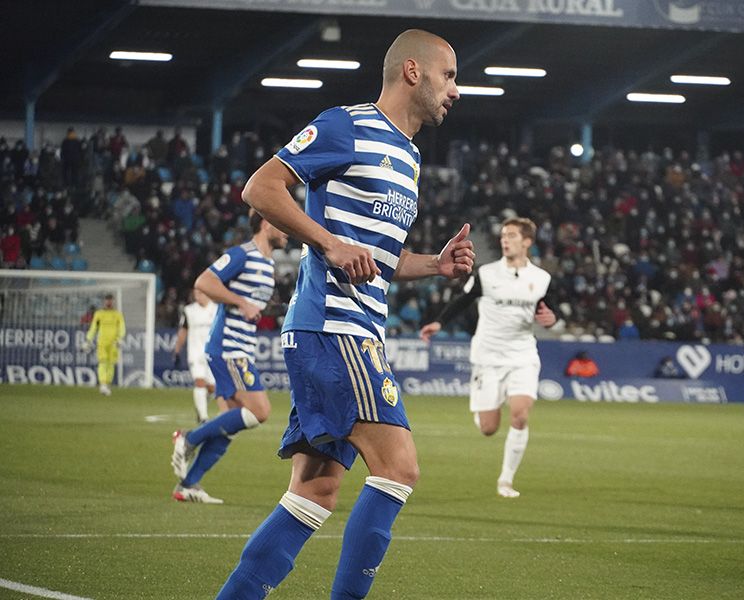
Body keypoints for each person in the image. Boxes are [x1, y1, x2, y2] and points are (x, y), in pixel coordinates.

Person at [216, 28, 471, 600]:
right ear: (413, 71)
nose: (456, 90)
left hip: (347, 330)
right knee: (398, 468)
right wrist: (329, 242)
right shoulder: (346, 125)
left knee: (316, 491)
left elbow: (378, 259)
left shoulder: (410, 157)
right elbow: (261, 189)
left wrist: (435, 265)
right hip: (335, 327)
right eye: (449, 76)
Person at [420, 217, 556, 498]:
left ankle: (506, 480)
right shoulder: (487, 274)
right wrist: (439, 322)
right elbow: (463, 300)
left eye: (512, 235)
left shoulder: (541, 279)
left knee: (520, 415)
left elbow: (548, 311)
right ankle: (485, 405)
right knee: (488, 428)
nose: (505, 240)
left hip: (522, 355)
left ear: (527, 241)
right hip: (488, 356)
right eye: (504, 235)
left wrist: (552, 320)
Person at [169, 210, 288, 504]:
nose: (288, 231)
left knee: (231, 424)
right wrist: (242, 303)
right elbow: (204, 282)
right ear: (266, 223)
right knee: (260, 411)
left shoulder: (267, 264)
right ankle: (189, 438)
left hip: (241, 346)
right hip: (228, 347)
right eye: (282, 224)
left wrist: (256, 308)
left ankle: (188, 485)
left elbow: (247, 303)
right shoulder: (242, 254)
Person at [172, 288, 221, 423]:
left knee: (212, 387)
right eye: (196, 294)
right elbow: (183, 331)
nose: (198, 296)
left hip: (212, 353)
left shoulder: (217, 309)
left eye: (201, 293)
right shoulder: (189, 311)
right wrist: (177, 350)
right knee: (199, 381)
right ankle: (203, 417)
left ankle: (201, 405)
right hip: (195, 353)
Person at [82, 293, 125, 396]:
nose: (109, 302)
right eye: (107, 300)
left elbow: (122, 327)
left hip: (113, 343)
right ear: (104, 301)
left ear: (113, 301)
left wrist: (120, 338)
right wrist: (88, 340)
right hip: (102, 342)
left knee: (111, 364)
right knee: (103, 362)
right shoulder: (99, 314)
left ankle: (107, 384)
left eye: (110, 300)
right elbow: (93, 327)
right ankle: (102, 384)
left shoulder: (117, 314)